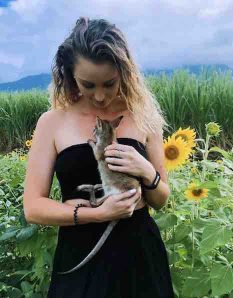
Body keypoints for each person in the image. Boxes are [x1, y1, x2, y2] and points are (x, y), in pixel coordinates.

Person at [23, 17, 174, 298]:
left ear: (124, 72)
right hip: (81, 259)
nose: (101, 96)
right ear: (69, 75)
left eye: (109, 83)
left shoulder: (144, 118)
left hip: (140, 259)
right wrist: (98, 214)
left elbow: (161, 199)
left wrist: (146, 171)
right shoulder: (52, 122)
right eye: (88, 85)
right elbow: (33, 208)